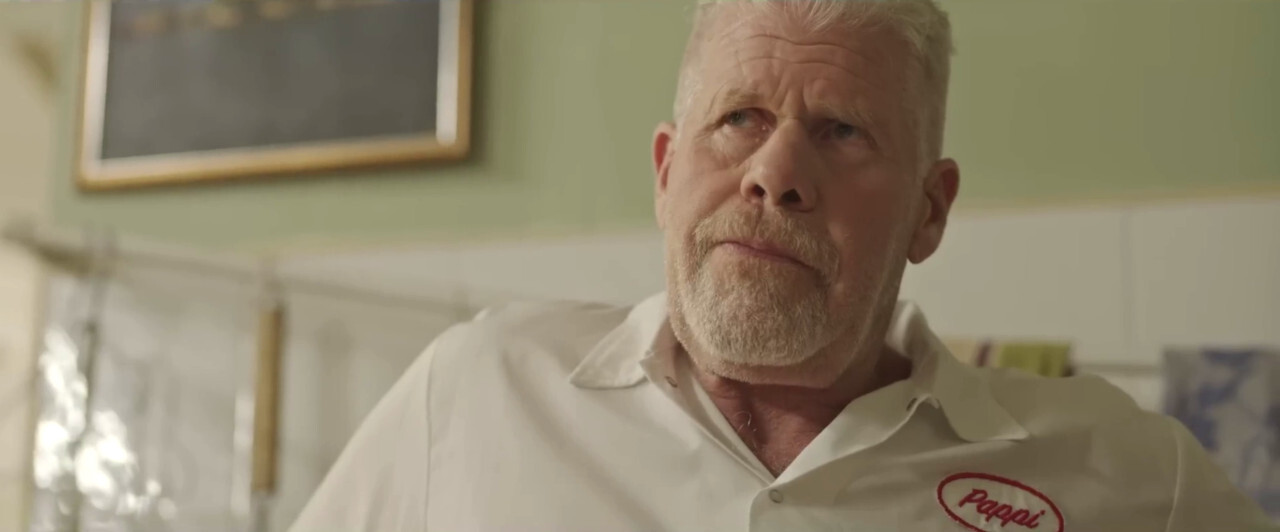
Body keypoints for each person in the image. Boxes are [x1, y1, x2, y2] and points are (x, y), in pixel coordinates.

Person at [289, 1, 1276, 530]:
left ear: (929, 209)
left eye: (841, 131)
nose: (775, 173)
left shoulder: (1128, 474)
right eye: (739, 118)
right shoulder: (477, 390)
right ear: (666, 172)